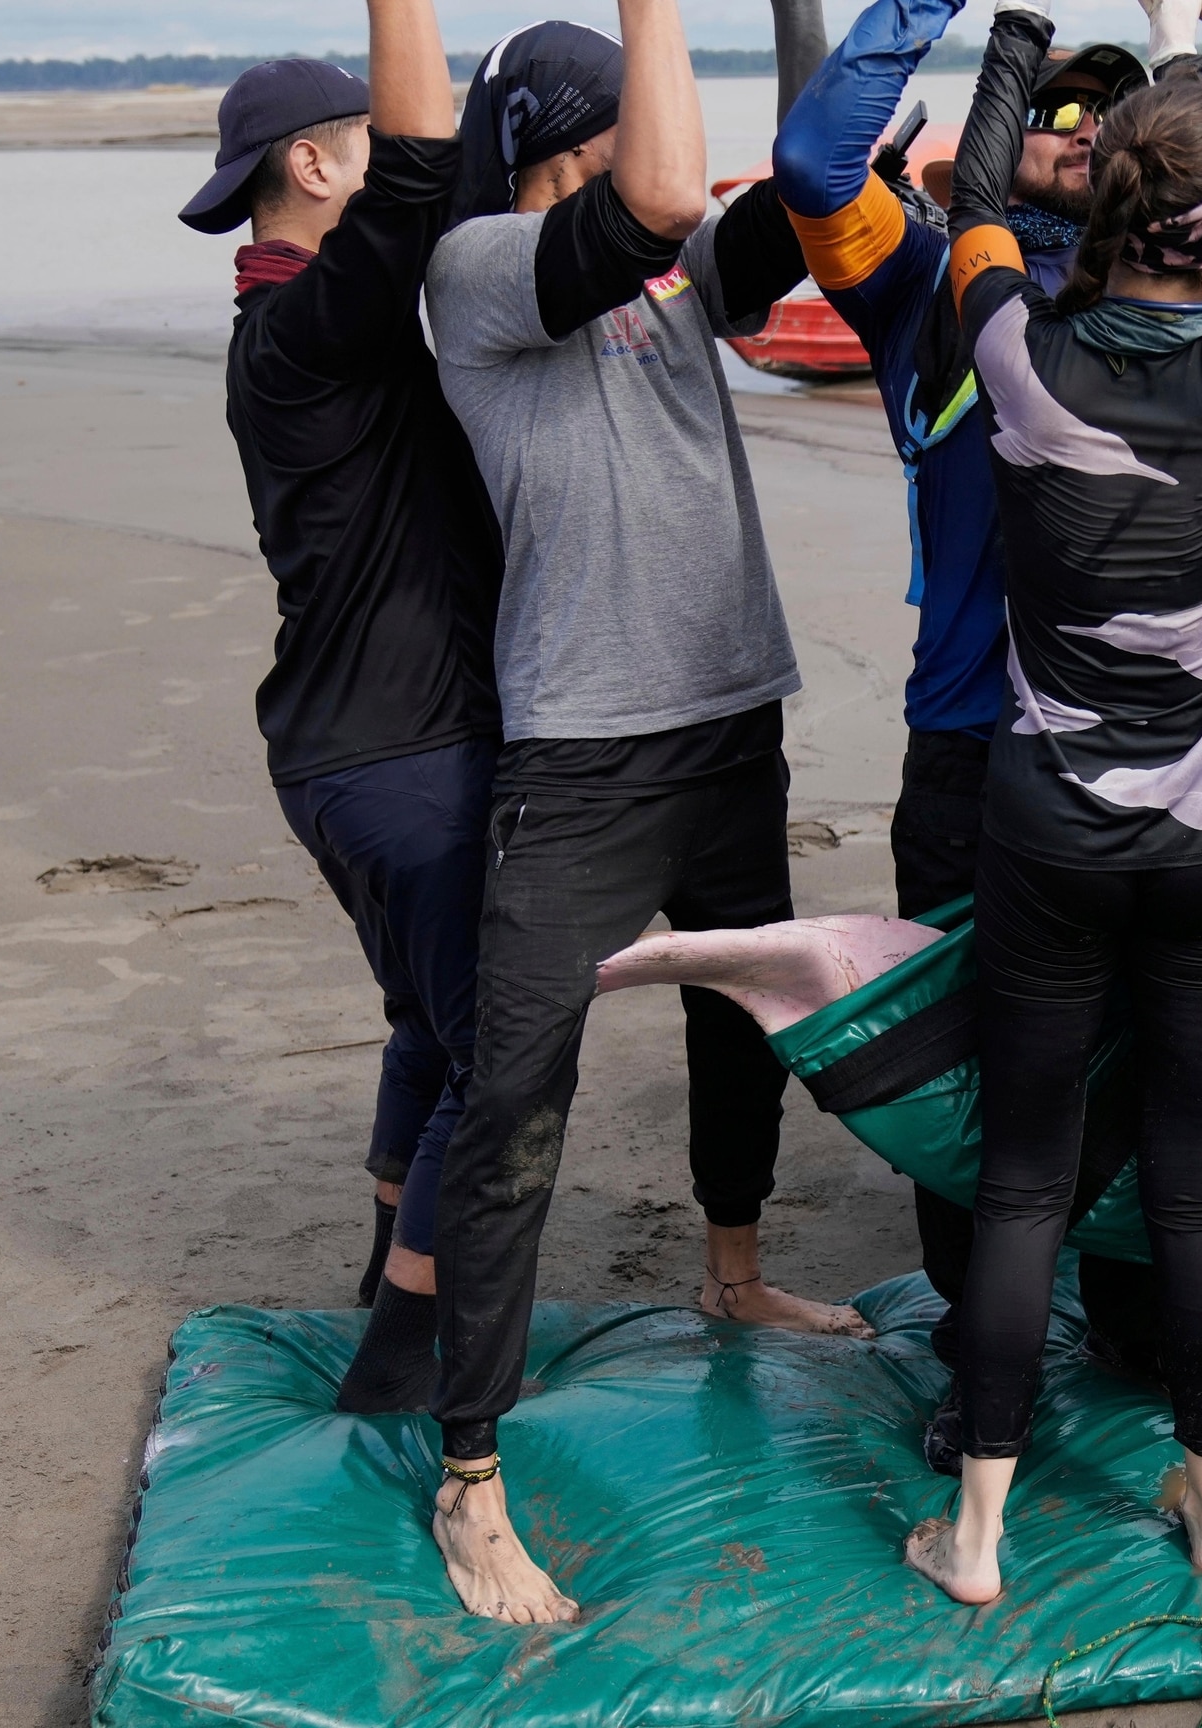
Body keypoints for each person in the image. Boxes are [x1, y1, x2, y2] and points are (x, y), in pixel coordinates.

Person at [769, 0, 1202, 1411]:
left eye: (1108, 118)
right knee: (977, 1089)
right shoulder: (934, 281)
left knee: (1166, 1081)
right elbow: (822, 165)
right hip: (972, 754)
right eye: (1056, 112)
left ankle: (1140, 1327)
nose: (1079, 135)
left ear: (1149, 181)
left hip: (1160, 775)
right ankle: (976, 1345)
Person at [419, 0, 863, 1623]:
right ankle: (471, 1471)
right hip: (581, 749)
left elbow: (814, 185)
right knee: (518, 1088)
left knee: (742, 1018)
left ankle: (731, 1272)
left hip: (726, 717)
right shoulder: (477, 271)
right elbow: (664, 203)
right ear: (565, 139)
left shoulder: (666, 291)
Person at [909, 0, 1202, 1605]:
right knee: (1188, 1175)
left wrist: (1017, 32)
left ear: (1101, 209)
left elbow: (968, 214)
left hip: (1050, 823)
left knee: (1023, 1178)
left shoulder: (1019, 353)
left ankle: (977, 1536)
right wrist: (1187, 38)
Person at [177, 3, 499, 1414]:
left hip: (340, 753)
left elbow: (444, 183)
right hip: (403, 758)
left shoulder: (277, 327)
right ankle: (398, 1367)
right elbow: (425, 175)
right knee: (496, 1058)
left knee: (427, 1030)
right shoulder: (308, 324)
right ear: (312, 167)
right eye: (356, 145)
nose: (377, 163)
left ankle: (385, 1264)